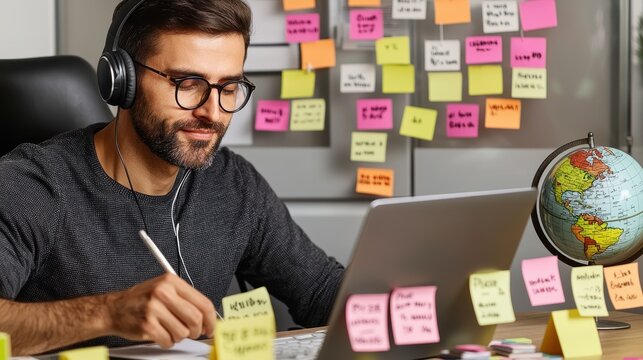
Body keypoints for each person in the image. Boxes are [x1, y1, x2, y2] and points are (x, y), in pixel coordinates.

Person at [0, 0, 344, 355]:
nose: (212, 113)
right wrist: (108, 313)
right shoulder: (34, 185)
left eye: (227, 88)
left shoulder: (232, 183)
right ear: (123, 81)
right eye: (187, 83)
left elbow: (321, 291)